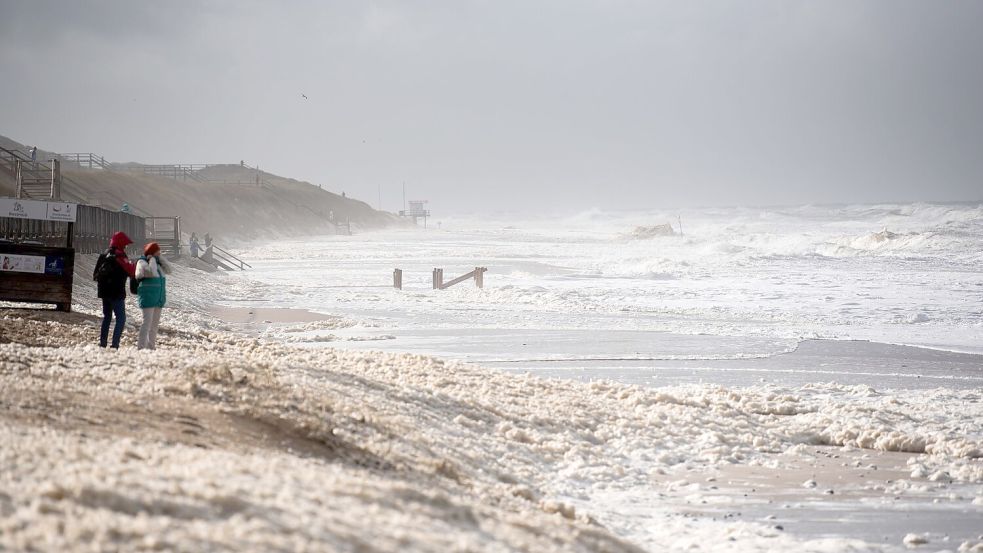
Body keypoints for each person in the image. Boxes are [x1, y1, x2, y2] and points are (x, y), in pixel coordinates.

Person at [92, 231, 136, 349]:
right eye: (125, 244)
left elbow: (95, 274)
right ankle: (115, 344)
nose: (126, 247)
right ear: (121, 243)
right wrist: (134, 264)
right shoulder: (121, 256)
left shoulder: (104, 255)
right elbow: (131, 271)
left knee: (107, 317)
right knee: (121, 318)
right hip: (116, 293)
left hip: (104, 292)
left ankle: (102, 343)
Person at [134, 242, 171, 350]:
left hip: (158, 298)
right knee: (147, 324)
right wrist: (152, 260)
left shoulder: (158, 264)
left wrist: (161, 260)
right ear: (151, 252)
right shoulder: (142, 262)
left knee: (154, 326)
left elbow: (169, 270)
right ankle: (141, 347)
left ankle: (151, 347)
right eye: (157, 252)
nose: (159, 254)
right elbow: (151, 273)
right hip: (148, 297)